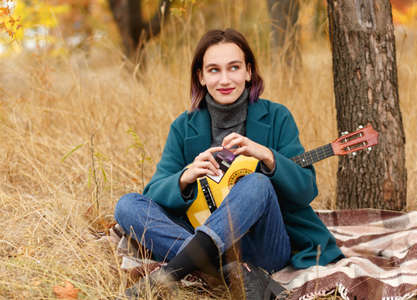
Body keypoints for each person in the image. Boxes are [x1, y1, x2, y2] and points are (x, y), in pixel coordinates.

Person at [114, 28, 344, 299]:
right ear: (200, 76)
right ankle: (231, 271)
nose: (225, 79)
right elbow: (153, 192)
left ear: (248, 71)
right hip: (199, 233)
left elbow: (306, 190)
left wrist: (268, 156)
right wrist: (185, 178)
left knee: (256, 182)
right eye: (213, 70)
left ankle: (174, 272)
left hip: (262, 247)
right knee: (127, 205)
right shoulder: (183, 126)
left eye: (233, 68)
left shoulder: (278, 117)